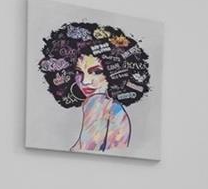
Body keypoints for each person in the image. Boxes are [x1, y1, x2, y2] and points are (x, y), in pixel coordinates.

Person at [37, 22, 151, 152]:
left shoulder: (97, 102)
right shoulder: (115, 108)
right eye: (79, 72)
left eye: (96, 72)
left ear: (114, 72)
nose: (85, 81)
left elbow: (86, 152)